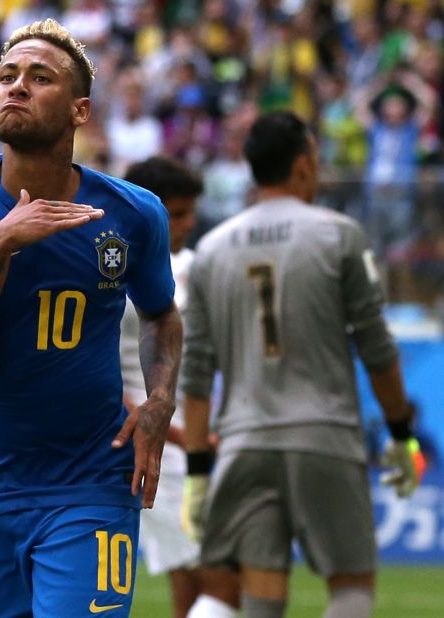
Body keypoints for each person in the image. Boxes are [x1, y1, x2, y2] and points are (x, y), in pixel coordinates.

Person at [0, 18, 183, 616]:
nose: (16, 87)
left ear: (80, 111)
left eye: (39, 77)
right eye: (7, 76)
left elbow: (161, 315)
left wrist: (159, 401)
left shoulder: (134, 214)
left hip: (92, 481)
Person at [180, 111, 422, 618]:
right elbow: (377, 349)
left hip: (245, 443)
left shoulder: (211, 250)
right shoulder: (340, 234)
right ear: (303, 165)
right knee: (351, 586)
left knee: (260, 593)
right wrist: (401, 432)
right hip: (324, 436)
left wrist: (200, 469)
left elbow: (197, 372)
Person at [119, 156, 223, 618]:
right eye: (176, 213)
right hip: (150, 440)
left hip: (182, 441)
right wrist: (190, 440)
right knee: (219, 580)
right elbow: (98, 374)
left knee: (194, 576)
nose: (188, 223)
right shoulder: (111, 270)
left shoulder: (199, 266)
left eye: (188, 212)